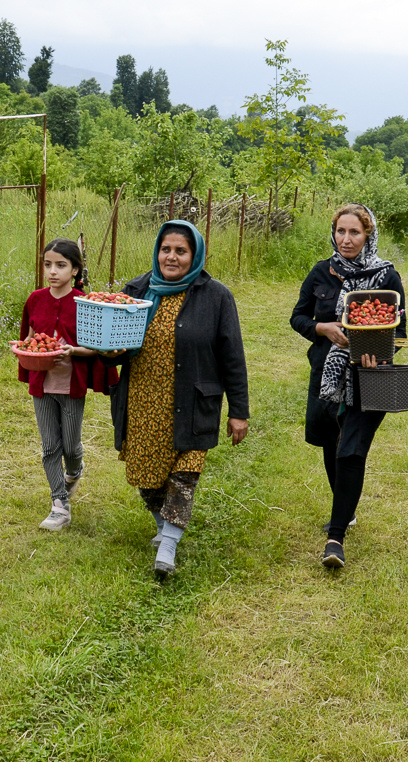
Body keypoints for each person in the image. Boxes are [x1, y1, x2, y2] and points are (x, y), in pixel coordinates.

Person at [103, 220, 249, 579]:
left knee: (184, 474)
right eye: (165, 249)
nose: (171, 257)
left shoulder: (215, 296)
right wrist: (110, 353)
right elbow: (116, 346)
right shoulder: (137, 290)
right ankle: (162, 524)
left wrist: (239, 411)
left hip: (193, 402)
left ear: (194, 254)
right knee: (148, 477)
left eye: (180, 251)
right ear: (157, 251)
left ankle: (167, 546)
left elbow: (233, 356)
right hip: (142, 399)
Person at [290, 203, 406, 569]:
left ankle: (335, 537)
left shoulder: (387, 277)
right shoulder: (322, 273)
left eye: (355, 232)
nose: (346, 239)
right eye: (341, 231)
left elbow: (399, 331)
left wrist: (379, 352)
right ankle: (347, 509)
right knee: (330, 442)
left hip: (370, 376)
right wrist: (320, 328)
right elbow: (297, 316)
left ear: (368, 235)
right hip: (326, 374)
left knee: (350, 451)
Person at [19, 238, 117, 531]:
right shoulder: (35, 299)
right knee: (50, 447)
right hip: (43, 385)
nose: (53, 271)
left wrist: (72, 351)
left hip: (71, 386)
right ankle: (59, 504)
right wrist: (25, 346)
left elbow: (97, 348)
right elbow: (30, 338)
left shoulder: (85, 304)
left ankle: (75, 471)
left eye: (61, 265)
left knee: (71, 447)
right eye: (48, 264)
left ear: (75, 270)